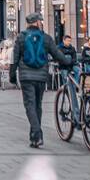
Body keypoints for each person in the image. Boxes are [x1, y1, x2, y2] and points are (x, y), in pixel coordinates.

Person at [11, 13, 73, 148]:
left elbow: (15, 58)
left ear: (28, 23)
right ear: (38, 22)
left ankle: (37, 134)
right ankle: (34, 137)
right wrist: (68, 61)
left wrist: (12, 75)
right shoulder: (46, 38)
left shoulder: (21, 37)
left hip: (26, 77)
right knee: (37, 105)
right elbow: (57, 54)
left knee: (30, 105)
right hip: (41, 76)